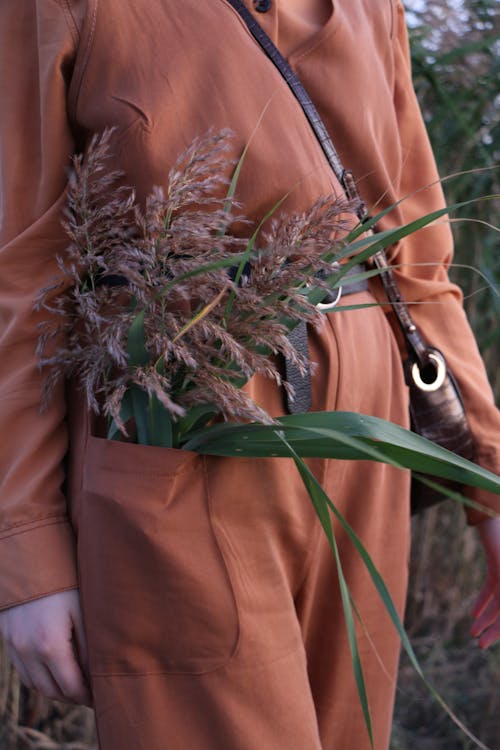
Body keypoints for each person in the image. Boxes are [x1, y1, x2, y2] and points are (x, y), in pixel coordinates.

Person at [0, 1, 499, 748]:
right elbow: (19, 269)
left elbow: (419, 267)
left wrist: (488, 484)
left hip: (369, 433)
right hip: (180, 417)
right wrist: (27, 547)